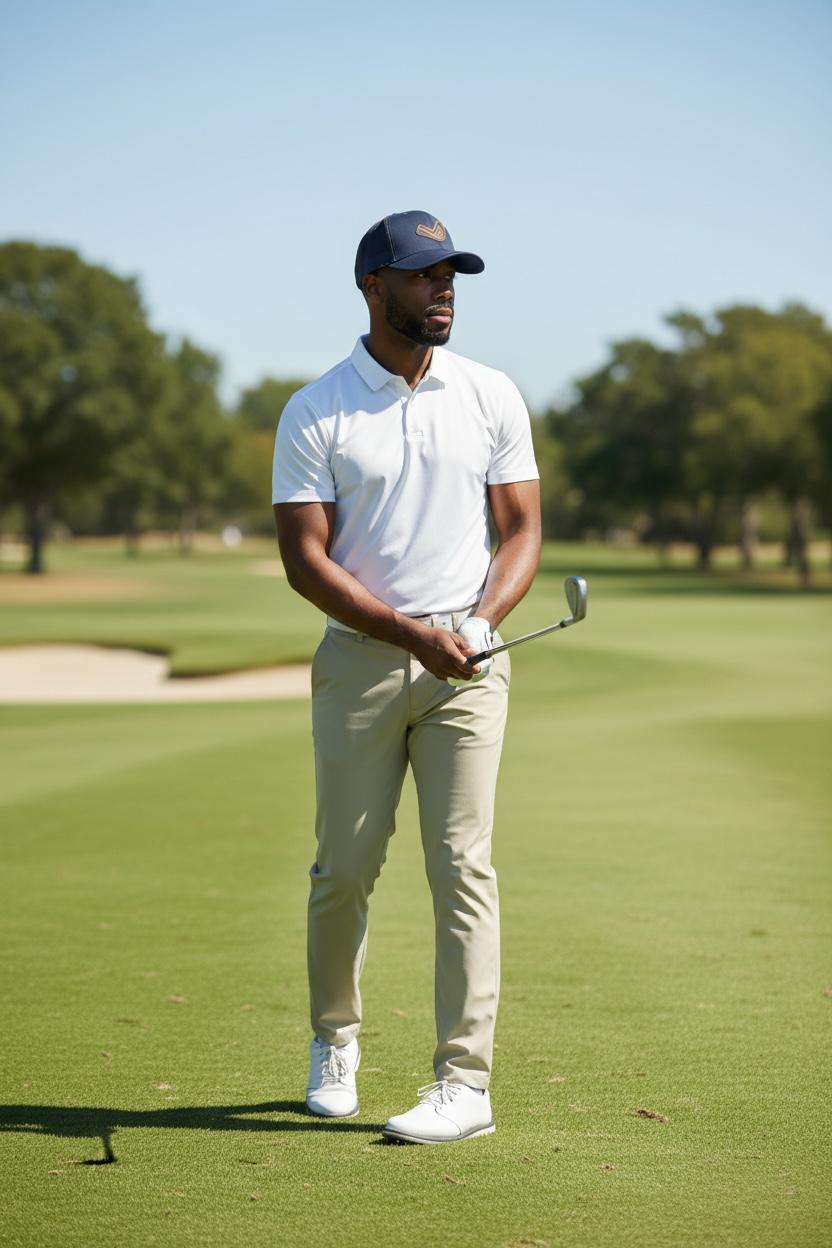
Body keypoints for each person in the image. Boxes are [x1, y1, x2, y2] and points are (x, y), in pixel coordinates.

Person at [272, 210, 541, 1144]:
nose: (444, 290)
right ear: (372, 286)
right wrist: (404, 631)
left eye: (451, 275)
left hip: (469, 664)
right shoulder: (317, 409)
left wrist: (473, 624)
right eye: (425, 276)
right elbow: (307, 563)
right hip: (362, 664)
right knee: (342, 871)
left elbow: (523, 534)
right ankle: (334, 1040)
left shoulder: (491, 393)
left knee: (463, 866)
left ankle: (464, 1084)